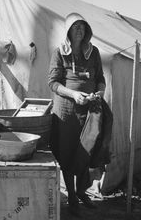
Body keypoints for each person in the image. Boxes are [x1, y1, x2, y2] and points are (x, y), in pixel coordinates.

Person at [48, 13, 107, 216]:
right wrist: (74, 94)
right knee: (67, 152)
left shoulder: (93, 52)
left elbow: (100, 78)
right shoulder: (60, 52)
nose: (80, 30)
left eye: (83, 27)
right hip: (66, 112)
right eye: (76, 27)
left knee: (86, 150)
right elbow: (53, 83)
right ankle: (72, 196)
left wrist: (99, 92)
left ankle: (82, 192)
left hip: (88, 110)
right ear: (68, 31)